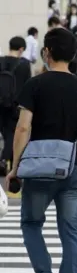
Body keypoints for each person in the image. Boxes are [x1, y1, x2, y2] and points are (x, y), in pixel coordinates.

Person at [7, 27, 77, 273]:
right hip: (74, 166)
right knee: (71, 232)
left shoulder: (35, 85)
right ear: (73, 56)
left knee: (32, 223)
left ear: (46, 52)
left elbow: (22, 127)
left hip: (38, 168)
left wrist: (15, 166)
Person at [0, 37, 32, 174]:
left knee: (6, 132)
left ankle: (11, 163)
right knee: (13, 133)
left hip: (0, 103)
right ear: (21, 49)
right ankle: (5, 159)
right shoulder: (24, 65)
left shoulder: (0, 61)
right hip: (16, 105)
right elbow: (28, 87)